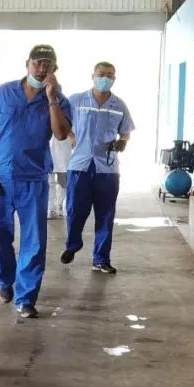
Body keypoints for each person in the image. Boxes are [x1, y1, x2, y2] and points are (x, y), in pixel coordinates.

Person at [0, 44, 71, 319]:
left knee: (34, 240)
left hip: (34, 178)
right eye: (37, 62)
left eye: (47, 64)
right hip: (0, 177)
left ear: (54, 69)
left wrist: (51, 99)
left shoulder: (59, 100)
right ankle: (5, 279)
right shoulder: (5, 92)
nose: (41, 68)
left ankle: (26, 297)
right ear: (27, 64)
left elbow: (61, 134)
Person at [61, 62, 135, 274]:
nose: (105, 78)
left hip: (107, 169)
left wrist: (123, 142)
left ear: (114, 79)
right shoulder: (76, 100)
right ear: (92, 76)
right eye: (101, 74)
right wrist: (71, 135)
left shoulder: (119, 105)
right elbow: (61, 123)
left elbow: (126, 131)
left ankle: (101, 259)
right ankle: (72, 245)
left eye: (109, 75)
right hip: (80, 166)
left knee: (106, 214)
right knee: (75, 210)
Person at [48, 136, 73, 220]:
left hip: (64, 153)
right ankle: (52, 209)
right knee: (50, 183)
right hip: (50, 151)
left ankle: (60, 206)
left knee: (63, 184)